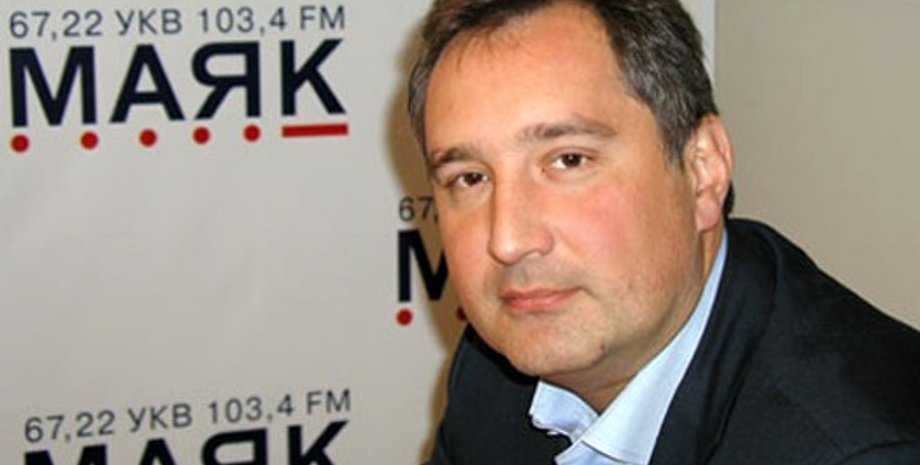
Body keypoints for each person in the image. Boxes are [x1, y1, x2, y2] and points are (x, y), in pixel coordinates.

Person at [406, 0, 920, 464]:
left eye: (569, 160)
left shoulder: (862, 449)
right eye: (469, 178)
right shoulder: (496, 369)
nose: (508, 241)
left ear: (702, 170)